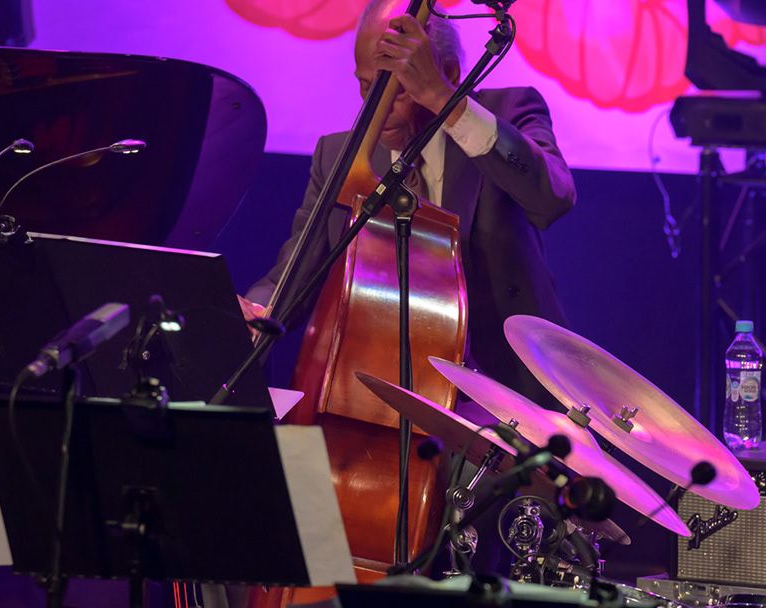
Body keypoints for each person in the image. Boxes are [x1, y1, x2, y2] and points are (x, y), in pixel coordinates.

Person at [241, 0, 576, 405]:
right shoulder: (340, 156)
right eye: (366, 85)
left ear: (447, 71)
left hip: (511, 397)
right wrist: (257, 311)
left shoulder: (508, 110)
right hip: (387, 396)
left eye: (396, 89)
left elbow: (553, 197)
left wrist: (442, 99)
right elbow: (296, 268)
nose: (376, 108)